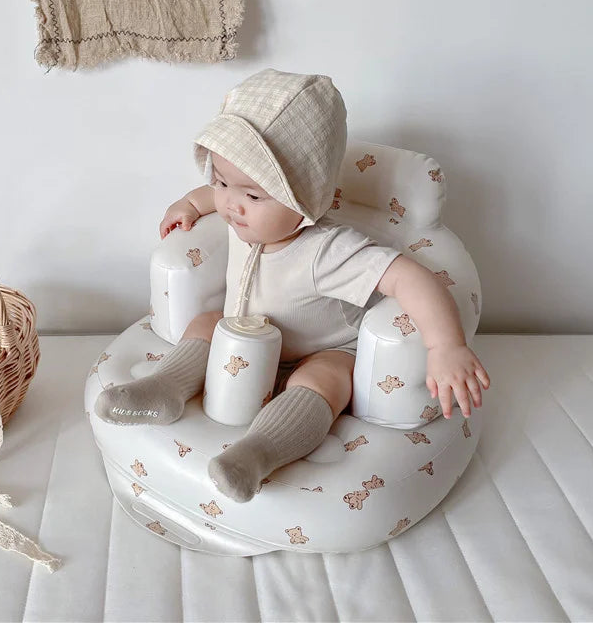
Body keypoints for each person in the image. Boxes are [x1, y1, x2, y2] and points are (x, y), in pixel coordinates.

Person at [95, 68, 490, 503]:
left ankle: (257, 454)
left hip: (320, 351)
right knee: (207, 322)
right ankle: (164, 388)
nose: (231, 204)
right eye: (222, 181)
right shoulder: (241, 214)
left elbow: (409, 277)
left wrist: (445, 346)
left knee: (328, 377)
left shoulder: (329, 250)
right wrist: (188, 204)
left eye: (253, 195)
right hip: (244, 338)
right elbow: (215, 197)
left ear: (303, 198)